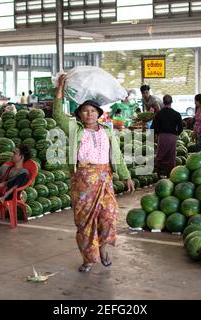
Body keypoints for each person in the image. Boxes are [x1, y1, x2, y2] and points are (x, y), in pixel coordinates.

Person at [53, 74, 134, 273]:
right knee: (85, 222)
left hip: (105, 180)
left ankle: (103, 250)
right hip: (83, 183)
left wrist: (126, 176)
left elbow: (117, 156)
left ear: (98, 113)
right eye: (84, 111)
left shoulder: (107, 131)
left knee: (108, 217)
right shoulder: (75, 130)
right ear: (79, 114)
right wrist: (61, 87)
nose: (89, 114)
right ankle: (88, 258)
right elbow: (57, 114)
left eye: (92, 111)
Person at [151, 95, 183, 177]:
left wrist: (156, 134)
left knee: (160, 155)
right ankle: (170, 175)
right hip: (172, 137)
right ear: (171, 102)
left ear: (163, 102)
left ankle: (159, 174)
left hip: (162, 136)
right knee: (171, 156)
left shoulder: (159, 114)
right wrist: (176, 134)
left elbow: (153, 127)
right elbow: (181, 128)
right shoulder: (177, 114)